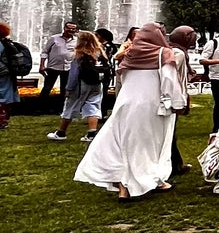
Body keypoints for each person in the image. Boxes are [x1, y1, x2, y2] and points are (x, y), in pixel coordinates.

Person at [74, 22, 184, 201]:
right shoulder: (164, 53)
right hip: (152, 105)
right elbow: (169, 80)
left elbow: (123, 76)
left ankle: (126, 186)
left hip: (126, 103)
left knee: (125, 143)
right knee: (150, 144)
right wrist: (178, 103)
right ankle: (147, 180)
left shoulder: (131, 53)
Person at [46, 31, 105, 143]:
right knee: (93, 106)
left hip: (81, 84)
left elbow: (74, 73)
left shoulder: (80, 54)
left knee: (70, 106)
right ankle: (91, 133)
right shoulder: (99, 52)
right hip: (97, 83)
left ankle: (61, 132)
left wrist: (69, 88)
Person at [165, 25, 197, 177]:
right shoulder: (178, 53)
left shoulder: (178, 51)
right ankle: (173, 165)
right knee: (170, 133)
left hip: (173, 97)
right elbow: (170, 74)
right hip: (173, 98)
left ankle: (175, 164)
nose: (194, 39)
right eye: (191, 36)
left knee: (171, 133)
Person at [0, 21, 26, 130]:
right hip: (7, 74)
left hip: (2, 74)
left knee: (1, 98)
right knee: (5, 97)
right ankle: (4, 120)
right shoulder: (5, 43)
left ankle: (1, 121)